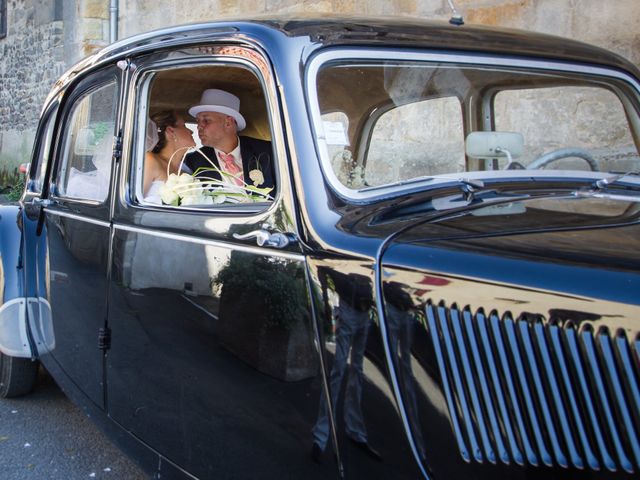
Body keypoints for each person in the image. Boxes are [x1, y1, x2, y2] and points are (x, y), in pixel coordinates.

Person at [183, 89, 275, 190]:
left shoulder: (268, 151)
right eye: (198, 121)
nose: (199, 127)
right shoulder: (193, 161)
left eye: (206, 120)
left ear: (228, 122)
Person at [143, 110, 196, 203]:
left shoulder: (187, 173)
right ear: (170, 131)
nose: (191, 131)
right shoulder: (150, 161)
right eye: (184, 126)